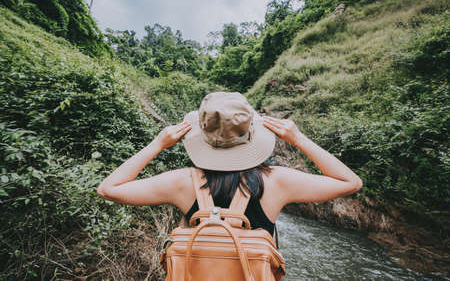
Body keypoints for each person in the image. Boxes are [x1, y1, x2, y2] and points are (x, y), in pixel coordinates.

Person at [97, 92, 362, 238]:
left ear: (202, 135)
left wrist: (157, 144)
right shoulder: (277, 181)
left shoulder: (181, 182)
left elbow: (108, 189)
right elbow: (350, 183)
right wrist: (298, 138)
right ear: (251, 133)